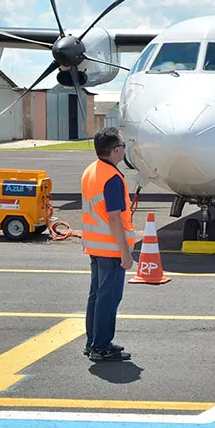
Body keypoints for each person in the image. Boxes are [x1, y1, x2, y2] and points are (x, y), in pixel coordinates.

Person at [81, 127, 135, 362]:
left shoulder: (92, 171)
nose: (124, 149)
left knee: (96, 295)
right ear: (115, 150)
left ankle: (92, 342)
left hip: (95, 246)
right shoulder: (112, 178)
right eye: (123, 146)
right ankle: (101, 346)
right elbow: (114, 217)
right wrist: (125, 252)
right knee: (109, 298)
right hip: (111, 248)